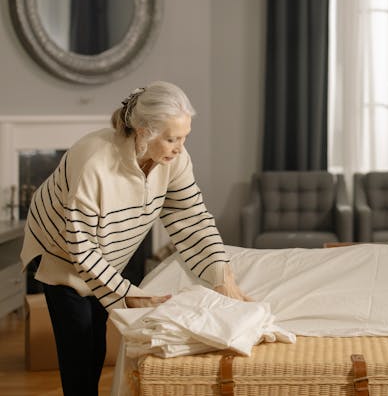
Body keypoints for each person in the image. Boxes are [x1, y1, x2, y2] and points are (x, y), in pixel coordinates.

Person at [20, 81, 250, 396]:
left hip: (107, 253)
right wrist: (128, 292)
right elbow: (80, 247)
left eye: (184, 137)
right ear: (143, 131)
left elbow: (192, 217)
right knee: (78, 344)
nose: (180, 147)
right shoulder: (93, 162)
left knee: (97, 342)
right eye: (172, 138)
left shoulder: (174, 159)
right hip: (61, 251)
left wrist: (222, 275)